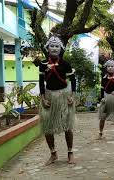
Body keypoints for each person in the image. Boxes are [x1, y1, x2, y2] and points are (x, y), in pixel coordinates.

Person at [39, 35, 76, 165]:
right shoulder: (43, 64)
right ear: (47, 48)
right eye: (52, 46)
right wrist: (43, 99)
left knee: (67, 127)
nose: (54, 48)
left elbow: (73, 80)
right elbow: (40, 83)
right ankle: (53, 153)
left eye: (57, 46)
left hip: (63, 97)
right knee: (47, 128)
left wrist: (72, 96)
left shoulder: (65, 64)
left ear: (60, 49)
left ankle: (70, 153)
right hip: (49, 96)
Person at [97, 59, 114, 139]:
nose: (110, 68)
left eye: (112, 66)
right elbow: (102, 89)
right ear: (106, 68)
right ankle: (100, 133)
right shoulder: (104, 78)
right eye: (108, 66)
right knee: (103, 116)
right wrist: (102, 98)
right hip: (107, 98)